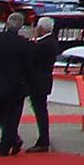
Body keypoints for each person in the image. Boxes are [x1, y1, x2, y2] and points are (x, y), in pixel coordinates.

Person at [0, 12, 34, 157]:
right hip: (16, 85)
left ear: (6, 23)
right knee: (13, 117)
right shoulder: (24, 44)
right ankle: (6, 145)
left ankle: (12, 140)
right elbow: (28, 67)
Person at [26, 18, 60, 153]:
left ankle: (43, 139)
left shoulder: (43, 45)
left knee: (40, 111)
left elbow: (31, 59)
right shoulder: (50, 42)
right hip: (43, 80)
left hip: (38, 81)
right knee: (41, 110)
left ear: (41, 29)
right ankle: (43, 138)